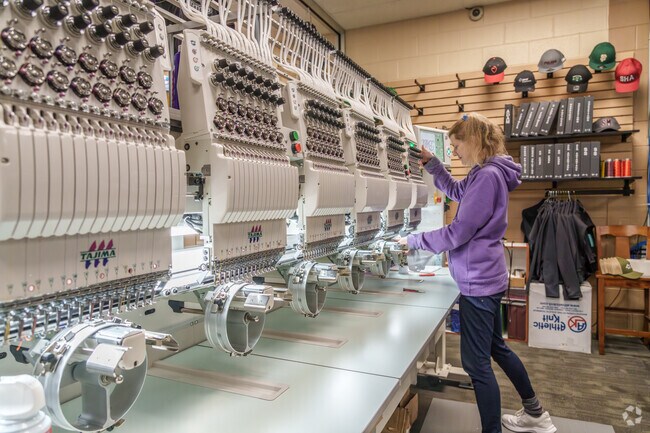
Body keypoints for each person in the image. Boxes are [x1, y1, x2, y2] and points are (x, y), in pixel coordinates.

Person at [398, 113, 556, 433]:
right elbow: (457, 192)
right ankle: (535, 413)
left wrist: (412, 241)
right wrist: (431, 163)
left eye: (457, 146)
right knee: (496, 347)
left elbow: (458, 232)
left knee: (476, 364)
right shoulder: (485, 172)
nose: (454, 152)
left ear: (473, 141)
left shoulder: (487, 177)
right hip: (484, 275)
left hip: (479, 282)